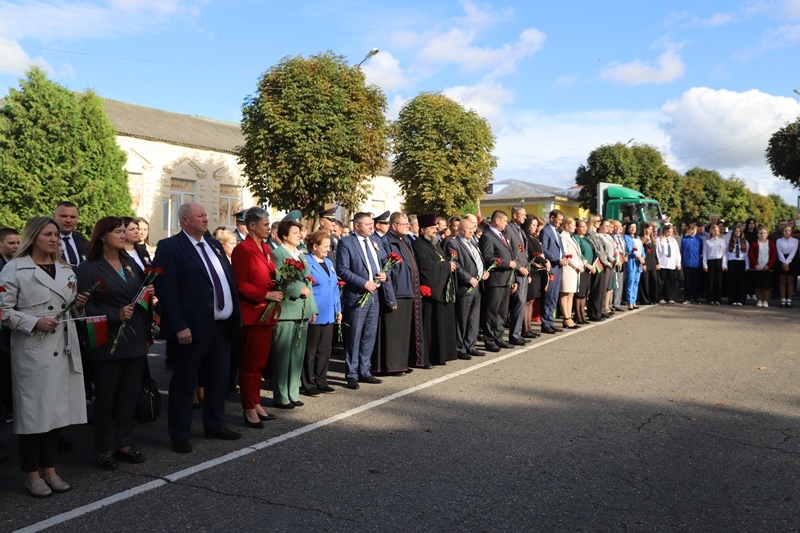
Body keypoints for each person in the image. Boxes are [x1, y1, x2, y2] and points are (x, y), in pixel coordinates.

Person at [0, 216, 89, 497]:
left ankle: (50, 469)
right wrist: (33, 322)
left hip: (63, 347)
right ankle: (32, 474)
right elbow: (3, 310)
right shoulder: (15, 269)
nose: (54, 239)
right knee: (34, 413)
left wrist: (79, 306)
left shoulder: (66, 269)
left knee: (57, 412)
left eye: (56, 235)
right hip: (33, 350)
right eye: (48, 234)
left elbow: (71, 309)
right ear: (33, 236)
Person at [152, 203, 242, 454]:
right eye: (200, 216)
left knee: (218, 379)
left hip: (221, 327)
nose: (206, 219)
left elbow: (225, 281)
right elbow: (167, 291)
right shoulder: (170, 247)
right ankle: (180, 434)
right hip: (191, 329)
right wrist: (179, 326)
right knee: (184, 382)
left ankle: (215, 425)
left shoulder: (213, 245)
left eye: (205, 215)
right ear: (185, 220)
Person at [77, 217, 151, 470]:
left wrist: (147, 297)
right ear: (102, 236)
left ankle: (124, 444)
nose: (123, 235)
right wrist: (113, 315)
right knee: (106, 398)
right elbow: (84, 309)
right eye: (117, 231)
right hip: (106, 341)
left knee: (128, 395)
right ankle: (103, 449)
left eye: (123, 231)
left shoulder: (130, 263)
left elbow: (139, 292)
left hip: (134, 337)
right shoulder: (88, 268)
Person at [231, 207, 281, 428]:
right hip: (253, 313)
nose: (269, 228)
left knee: (260, 363)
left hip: (267, 313)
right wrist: (265, 294)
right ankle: (248, 407)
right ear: (252, 225)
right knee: (250, 364)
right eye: (265, 224)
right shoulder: (243, 249)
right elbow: (240, 283)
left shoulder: (266, 248)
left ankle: (256, 402)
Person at [336, 212, 391, 389]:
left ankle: (365, 371)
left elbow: (383, 262)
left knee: (369, 334)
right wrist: (363, 283)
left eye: (371, 224)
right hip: (357, 295)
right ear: (357, 226)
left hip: (374, 295)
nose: (371, 227)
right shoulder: (347, 243)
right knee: (354, 335)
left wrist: (385, 275)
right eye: (367, 224)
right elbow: (342, 270)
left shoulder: (375, 241)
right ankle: (351, 373)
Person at [270, 218, 318, 407]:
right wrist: (297, 290)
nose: (300, 236)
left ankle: (293, 393)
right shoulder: (277, 254)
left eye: (300, 232)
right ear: (284, 235)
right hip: (287, 310)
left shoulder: (301, 254)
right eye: (295, 233)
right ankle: (281, 396)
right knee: (283, 355)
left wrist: (312, 308)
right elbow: (277, 280)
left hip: (302, 310)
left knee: (298, 355)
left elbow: (308, 282)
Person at [377, 212, 424, 372]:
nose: (408, 226)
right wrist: (390, 298)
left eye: (408, 224)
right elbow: (387, 272)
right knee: (394, 333)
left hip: (407, 291)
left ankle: (401, 364)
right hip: (396, 292)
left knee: (404, 332)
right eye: (404, 224)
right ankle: (392, 366)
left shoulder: (405, 241)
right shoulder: (386, 242)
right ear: (394, 225)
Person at [413, 213, 458, 364]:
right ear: (422, 230)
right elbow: (423, 265)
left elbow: (441, 260)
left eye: (435, 227)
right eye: (431, 228)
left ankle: (442, 355)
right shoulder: (418, 245)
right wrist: (446, 266)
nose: (435, 230)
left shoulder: (435, 244)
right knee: (431, 325)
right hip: (431, 291)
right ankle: (429, 357)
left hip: (442, 288)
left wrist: (448, 265)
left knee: (443, 323)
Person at [445, 215, 488, 359]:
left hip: (477, 285)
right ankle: (460, 347)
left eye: (472, 228)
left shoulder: (473, 243)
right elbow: (455, 264)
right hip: (465, 287)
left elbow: (477, 260)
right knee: (462, 319)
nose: (471, 231)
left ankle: (471, 345)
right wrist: (468, 278)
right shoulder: (454, 244)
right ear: (460, 230)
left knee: (474, 318)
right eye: (468, 229)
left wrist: (483, 272)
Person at [303, 230, 340, 396]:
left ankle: (321, 380)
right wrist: (310, 309)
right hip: (315, 312)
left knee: (325, 349)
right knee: (310, 350)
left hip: (329, 312)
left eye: (329, 246)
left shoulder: (329, 262)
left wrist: (338, 309)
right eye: (325, 246)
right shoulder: (306, 262)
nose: (328, 249)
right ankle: (308, 383)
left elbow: (335, 287)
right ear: (315, 246)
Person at [478, 210, 516, 351]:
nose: (506, 224)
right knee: (491, 311)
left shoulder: (502, 236)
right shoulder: (487, 236)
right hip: (495, 281)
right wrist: (507, 263)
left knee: (502, 312)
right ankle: (489, 339)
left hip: (505, 279)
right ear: (497, 221)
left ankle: (498, 337)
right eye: (505, 221)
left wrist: (512, 278)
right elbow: (488, 257)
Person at [503, 206, 531, 346]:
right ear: (514, 215)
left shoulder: (520, 230)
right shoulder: (509, 230)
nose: (525, 217)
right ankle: (513, 335)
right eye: (522, 215)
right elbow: (508, 252)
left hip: (524, 272)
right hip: (516, 272)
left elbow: (525, 253)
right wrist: (519, 268)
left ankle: (517, 333)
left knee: (521, 304)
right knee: (518, 304)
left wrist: (528, 270)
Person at [540, 210, 567, 334]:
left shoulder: (556, 231)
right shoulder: (546, 231)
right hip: (552, 266)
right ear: (552, 218)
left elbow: (560, 248)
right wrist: (556, 259)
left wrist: (564, 257)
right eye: (559, 219)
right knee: (549, 295)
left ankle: (550, 321)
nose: (560, 222)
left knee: (554, 296)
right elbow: (544, 249)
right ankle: (545, 323)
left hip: (559, 267)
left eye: (561, 220)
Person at [521, 215, 545, 336]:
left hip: (537, 272)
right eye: (533, 225)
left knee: (531, 301)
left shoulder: (533, 237)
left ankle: (529, 328)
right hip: (531, 270)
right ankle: (525, 328)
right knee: (527, 301)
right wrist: (545, 261)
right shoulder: (526, 237)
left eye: (536, 225)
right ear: (528, 225)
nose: (535, 227)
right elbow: (531, 253)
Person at [558, 217, 583, 329]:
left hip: (574, 270)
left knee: (571, 294)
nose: (574, 227)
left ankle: (569, 317)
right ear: (566, 226)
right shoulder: (563, 236)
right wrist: (576, 265)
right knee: (565, 293)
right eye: (572, 225)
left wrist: (580, 264)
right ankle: (566, 317)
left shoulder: (571, 237)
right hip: (568, 268)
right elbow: (566, 253)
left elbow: (577, 253)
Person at [572, 219, 595, 324]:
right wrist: (587, 265)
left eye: (585, 226)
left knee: (585, 293)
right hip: (582, 267)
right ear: (577, 228)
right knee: (579, 293)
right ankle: (577, 315)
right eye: (581, 226)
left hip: (589, 269)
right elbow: (579, 253)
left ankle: (582, 314)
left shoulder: (586, 238)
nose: (584, 228)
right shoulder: (576, 238)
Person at [749, 227, 777, 308]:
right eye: (761, 233)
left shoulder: (771, 244)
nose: (762, 235)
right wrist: (755, 264)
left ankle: (765, 300)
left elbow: (774, 255)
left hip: (767, 268)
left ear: (767, 234)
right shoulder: (754, 244)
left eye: (764, 233)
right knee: (758, 285)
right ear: (758, 234)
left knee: (766, 286)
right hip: (757, 268)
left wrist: (769, 265)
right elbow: (751, 254)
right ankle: (759, 300)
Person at [54, 201, 88, 268]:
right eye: (64, 216)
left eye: (72, 217)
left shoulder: (84, 243)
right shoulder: (46, 242)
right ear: (54, 217)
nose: (68, 220)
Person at [723, 224, 749, 306]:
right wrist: (725, 264)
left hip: (741, 262)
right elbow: (726, 254)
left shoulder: (745, 242)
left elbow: (747, 255)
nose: (737, 232)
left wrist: (747, 265)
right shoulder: (729, 242)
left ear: (741, 232)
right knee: (732, 281)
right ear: (733, 232)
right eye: (736, 231)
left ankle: (741, 300)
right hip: (732, 262)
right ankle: (732, 300)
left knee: (741, 282)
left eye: (739, 231)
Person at [656, 223, 682, 304]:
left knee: (671, 281)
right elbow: (657, 252)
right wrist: (657, 263)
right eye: (668, 231)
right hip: (662, 263)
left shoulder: (673, 240)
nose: (669, 233)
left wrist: (678, 263)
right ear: (664, 231)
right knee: (661, 282)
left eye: (671, 231)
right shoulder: (659, 239)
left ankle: (670, 297)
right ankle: (660, 297)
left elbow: (677, 252)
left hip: (671, 264)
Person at [703, 224, 726, 305]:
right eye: (714, 230)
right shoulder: (708, 242)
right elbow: (705, 254)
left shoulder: (722, 241)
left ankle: (718, 298)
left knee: (718, 281)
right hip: (710, 261)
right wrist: (705, 265)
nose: (715, 232)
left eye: (717, 230)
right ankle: (710, 298)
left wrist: (724, 264)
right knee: (710, 281)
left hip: (719, 261)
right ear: (711, 231)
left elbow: (724, 254)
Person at [623, 222, 644, 310]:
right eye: (631, 227)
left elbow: (642, 249)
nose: (633, 229)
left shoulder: (638, 237)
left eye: (634, 227)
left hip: (639, 263)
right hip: (632, 261)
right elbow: (630, 249)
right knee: (630, 282)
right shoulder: (626, 237)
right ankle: (630, 302)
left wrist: (643, 257)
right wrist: (638, 257)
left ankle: (634, 301)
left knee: (636, 282)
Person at [775, 225, 797, 308]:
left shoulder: (795, 241)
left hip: (791, 260)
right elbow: (779, 252)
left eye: (788, 230)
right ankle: (783, 299)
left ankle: (789, 300)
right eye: (785, 230)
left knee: (790, 281)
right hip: (781, 260)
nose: (787, 232)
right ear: (783, 232)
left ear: (791, 232)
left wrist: (787, 262)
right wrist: (784, 262)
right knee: (782, 281)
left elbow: (793, 252)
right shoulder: (779, 241)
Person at [681, 224, 703, 304]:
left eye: (694, 230)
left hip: (696, 264)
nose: (693, 231)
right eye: (691, 230)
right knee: (687, 282)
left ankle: (695, 298)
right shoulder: (684, 239)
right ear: (688, 230)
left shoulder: (699, 240)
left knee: (696, 282)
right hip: (687, 263)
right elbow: (682, 250)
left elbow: (701, 251)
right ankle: (687, 298)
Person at [638, 223, 659, 305]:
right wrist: (643, 264)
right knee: (645, 282)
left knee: (653, 280)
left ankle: (653, 298)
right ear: (644, 229)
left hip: (652, 262)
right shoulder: (641, 239)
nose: (650, 231)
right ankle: (645, 299)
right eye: (648, 229)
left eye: (651, 229)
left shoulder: (652, 239)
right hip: (646, 262)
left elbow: (654, 252)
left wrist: (657, 262)